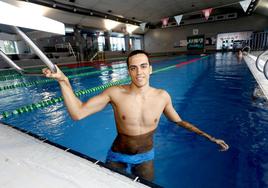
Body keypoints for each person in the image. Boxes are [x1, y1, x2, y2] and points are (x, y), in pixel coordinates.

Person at [42, 50, 229, 181]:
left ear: (150, 69)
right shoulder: (115, 93)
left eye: (143, 66)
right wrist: (64, 81)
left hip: (145, 156)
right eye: (133, 68)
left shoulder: (162, 96)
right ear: (128, 71)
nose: (139, 72)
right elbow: (78, 113)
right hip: (117, 155)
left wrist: (210, 138)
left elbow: (179, 121)